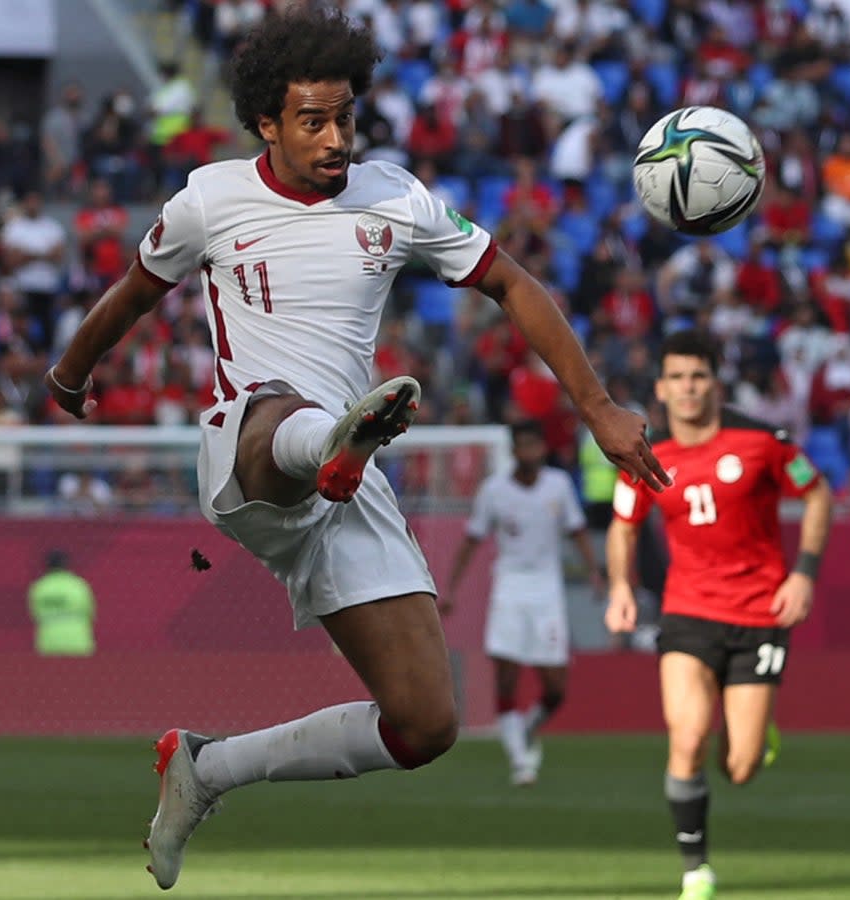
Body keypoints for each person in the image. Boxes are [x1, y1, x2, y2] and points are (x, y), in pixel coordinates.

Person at [44, 7, 667, 890]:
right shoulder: (212, 199)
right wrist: (68, 375)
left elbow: (511, 284)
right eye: (312, 120)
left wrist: (597, 406)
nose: (336, 138)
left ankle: (205, 769)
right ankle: (330, 439)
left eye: (345, 118)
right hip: (249, 451)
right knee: (283, 411)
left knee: (424, 725)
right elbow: (133, 295)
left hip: (351, 482)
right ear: (267, 121)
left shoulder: (396, 197)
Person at [604, 329, 833, 900]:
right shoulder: (643, 453)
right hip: (687, 611)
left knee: (741, 764)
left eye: (698, 376)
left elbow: (818, 494)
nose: (687, 388)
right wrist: (620, 586)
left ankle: (755, 730)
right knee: (686, 737)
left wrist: (802, 572)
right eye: (677, 377)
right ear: (661, 386)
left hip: (759, 612)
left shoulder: (762, 440)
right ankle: (696, 870)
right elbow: (623, 525)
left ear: (715, 381)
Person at [443, 419, 602, 786]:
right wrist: (451, 589)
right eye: (522, 446)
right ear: (513, 450)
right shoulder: (494, 491)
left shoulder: (558, 486)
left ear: (542, 449)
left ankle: (529, 726)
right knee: (506, 675)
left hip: (547, 590)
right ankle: (520, 760)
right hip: (510, 588)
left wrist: (594, 572)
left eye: (534, 445)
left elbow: (577, 531)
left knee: (556, 687)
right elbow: (472, 540)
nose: (529, 452)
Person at [27, 550, 96, 656]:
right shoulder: (78, 585)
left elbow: (34, 615)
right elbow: (90, 613)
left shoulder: (39, 588)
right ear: (66, 564)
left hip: (49, 643)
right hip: (78, 643)